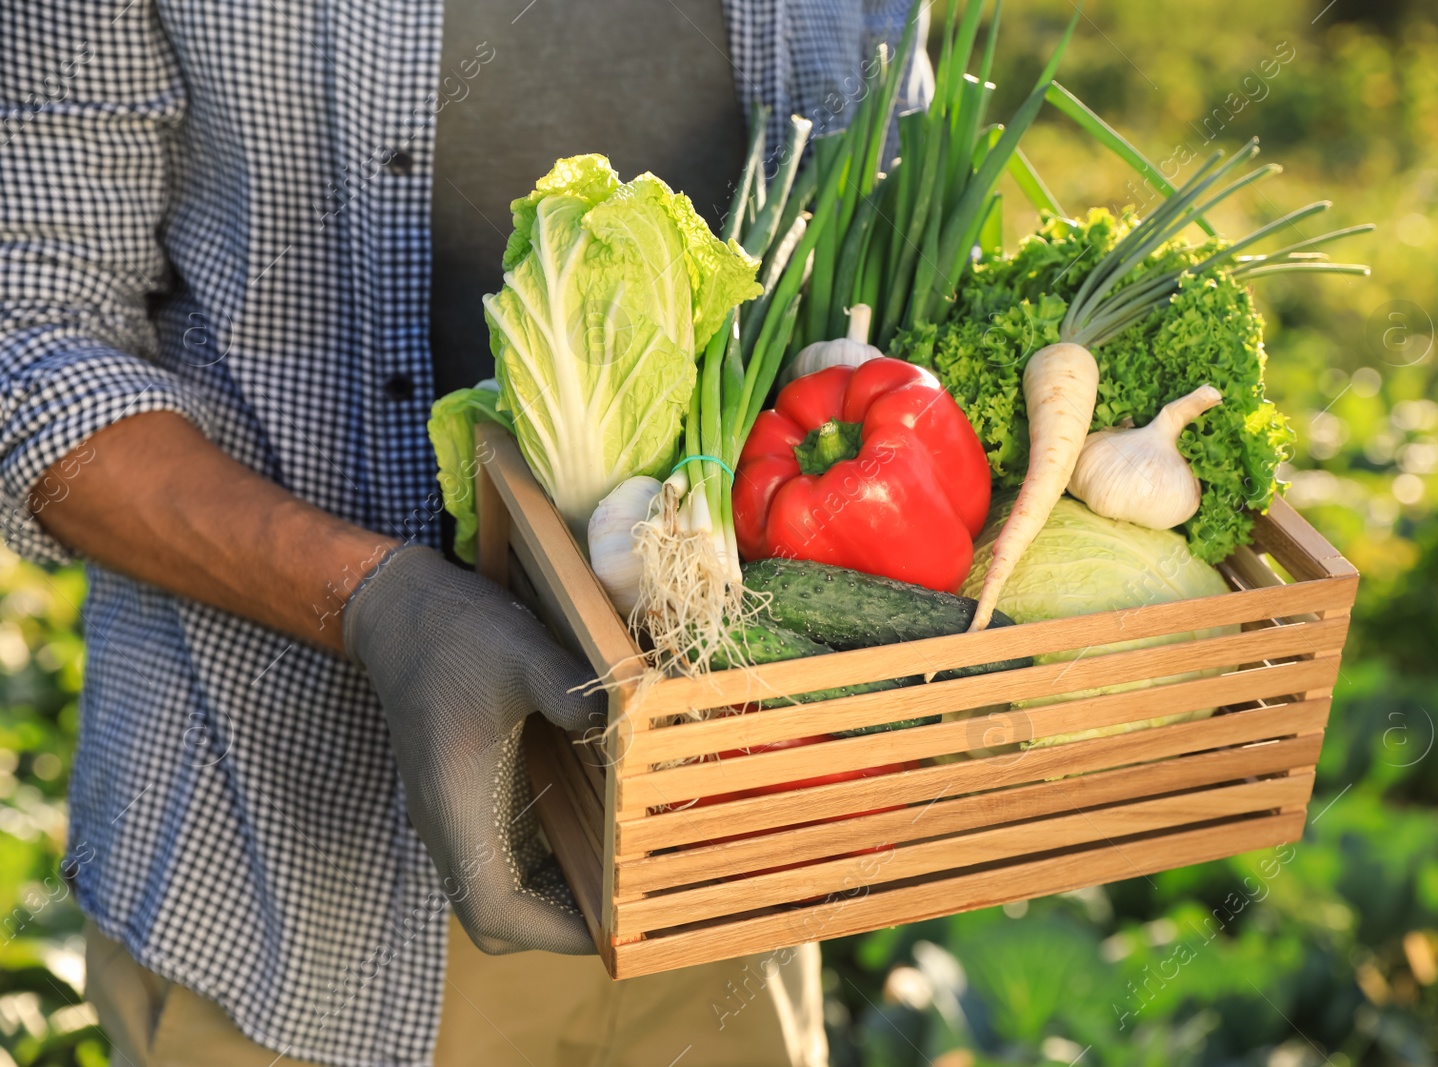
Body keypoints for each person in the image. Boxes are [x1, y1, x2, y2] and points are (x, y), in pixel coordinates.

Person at [0, 1, 929, 1064]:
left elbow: (886, 263)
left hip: (720, 870)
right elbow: (32, 347)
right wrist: (375, 604)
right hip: (290, 894)